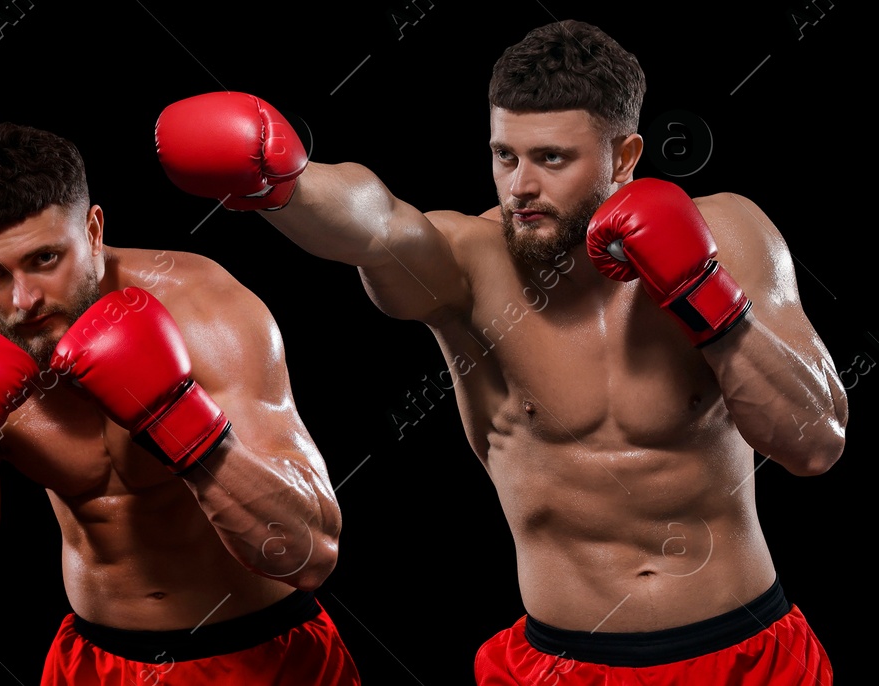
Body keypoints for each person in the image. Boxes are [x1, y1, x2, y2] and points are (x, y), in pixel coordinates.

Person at [154, 19, 847, 686]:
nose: (520, 187)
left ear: (626, 156)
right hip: (560, 663)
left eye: (552, 159)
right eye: (503, 155)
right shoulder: (468, 266)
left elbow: (815, 443)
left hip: (746, 653)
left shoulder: (726, 230)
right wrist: (288, 185)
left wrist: (707, 296)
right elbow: (376, 225)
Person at [0, 122, 358, 685]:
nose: (24, 300)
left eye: (45, 259)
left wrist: (174, 416)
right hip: (95, 665)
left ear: (92, 229)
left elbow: (311, 555)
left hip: (261, 654)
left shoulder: (205, 312)